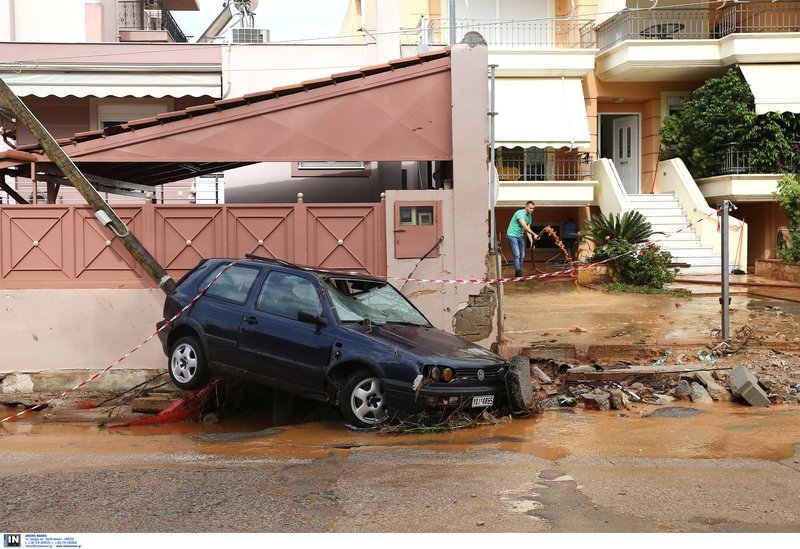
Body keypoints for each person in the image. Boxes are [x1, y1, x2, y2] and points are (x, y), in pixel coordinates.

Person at [506, 201, 539, 277]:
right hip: (512, 235)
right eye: (530, 208)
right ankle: (518, 272)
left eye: (533, 208)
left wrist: (531, 242)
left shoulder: (529, 216)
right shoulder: (519, 213)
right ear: (526, 206)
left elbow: (528, 230)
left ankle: (518, 271)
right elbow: (524, 227)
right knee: (517, 254)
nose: (532, 210)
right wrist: (534, 234)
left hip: (520, 236)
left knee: (522, 255)